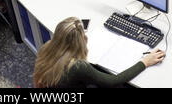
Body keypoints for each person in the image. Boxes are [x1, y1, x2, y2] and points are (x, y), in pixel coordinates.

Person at [34, 17, 165, 88]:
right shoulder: (77, 66)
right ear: (80, 41)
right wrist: (144, 62)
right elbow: (113, 81)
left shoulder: (47, 47)